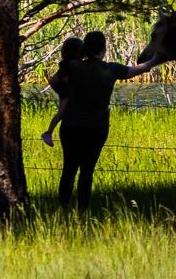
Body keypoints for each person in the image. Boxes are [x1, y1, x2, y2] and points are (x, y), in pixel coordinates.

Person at [41, 29, 136, 208]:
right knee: (87, 171)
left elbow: (53, 81)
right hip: (97, 128)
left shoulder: (72, 67)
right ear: (103, 48)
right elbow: (138, 69)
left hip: (71, 126)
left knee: (69, 169)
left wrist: (65, 95)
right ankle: (82, 209)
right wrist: (156, 59)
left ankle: (63, 208)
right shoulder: (109, 68)